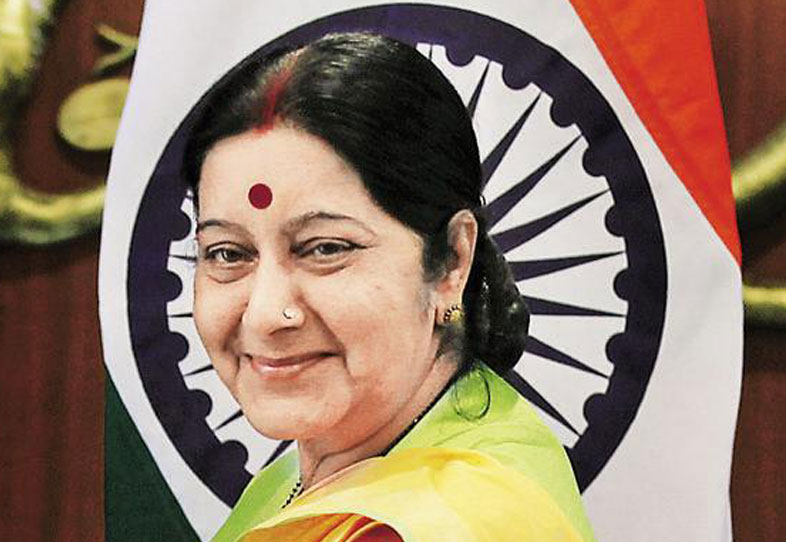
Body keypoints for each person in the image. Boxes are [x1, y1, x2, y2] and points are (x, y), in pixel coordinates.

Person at [183, 32, 595, 542]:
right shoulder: (319, 474)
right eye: (227, 254)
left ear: (452, 260)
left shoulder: (434, 523)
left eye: (325, 248)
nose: (266, 313)